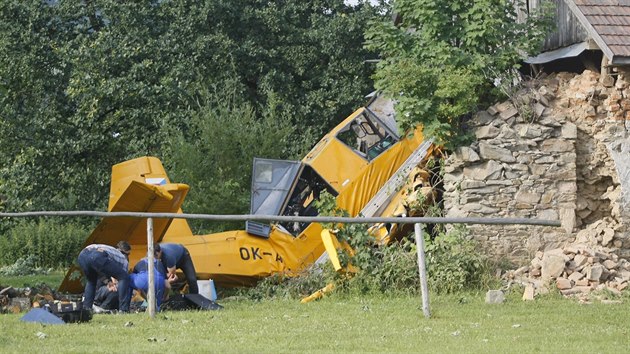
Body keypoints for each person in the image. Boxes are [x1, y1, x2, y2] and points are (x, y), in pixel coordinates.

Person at [77, 241, 131, 313]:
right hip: (98, 254)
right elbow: (123, 279)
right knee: (124, 277)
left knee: (91, 281)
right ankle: (123, 310)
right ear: (125, 253)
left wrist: (108, 282)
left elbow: (98, 268)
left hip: (82, 255)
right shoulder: (124, 259)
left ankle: (86, 309)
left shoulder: (111, 251)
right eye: (128, 254)